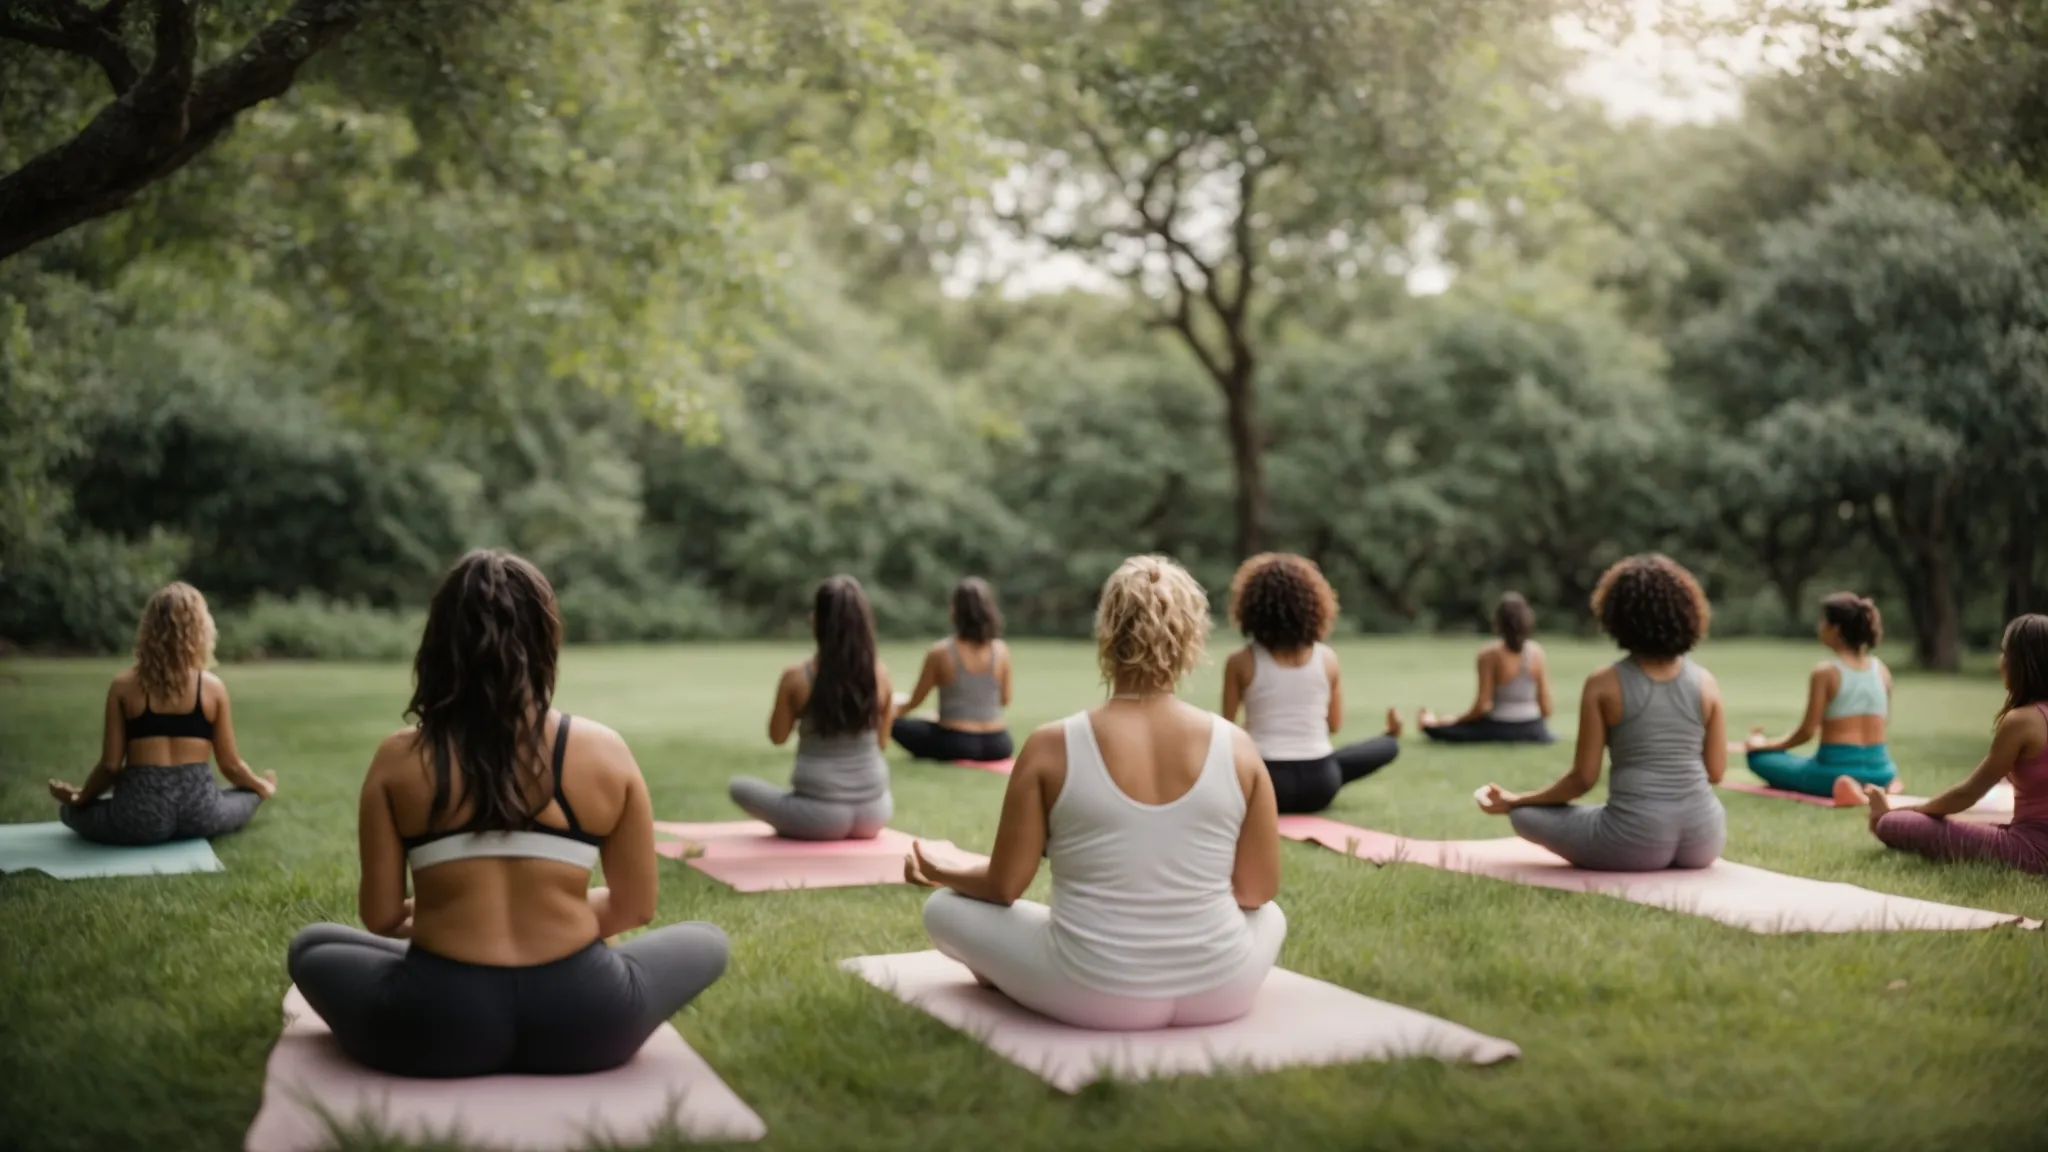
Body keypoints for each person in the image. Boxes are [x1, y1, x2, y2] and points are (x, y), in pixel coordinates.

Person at [287, 551, 728, 1078]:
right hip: (587, 1023)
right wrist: (554, 910)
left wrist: (450, 913)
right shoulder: (605, 750)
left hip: (438, 1026)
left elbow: (381, 918)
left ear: (440, 644)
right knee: (706, 938)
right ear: (546, 641)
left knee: (312, 945)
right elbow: (635, 908)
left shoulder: (398, 759)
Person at [904, 555, 1285, 1031]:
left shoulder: (1051, 745)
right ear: (1192, 638)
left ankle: (1016, 977)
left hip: (1093, 993)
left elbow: (1004, 886)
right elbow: (1256, 891)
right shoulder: (1239, 747)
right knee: (1271, 916)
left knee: (942, 908)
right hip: (1221, 989)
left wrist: (944, 867)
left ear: (1107, 632)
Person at [1476, 555, 1729, 871]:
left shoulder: (1603, 684)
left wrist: (1516, 801)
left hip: (1633, 843)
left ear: (1617, 616)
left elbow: (1582, 779)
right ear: (1688, 613)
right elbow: (1716, 772)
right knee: (1601, 813)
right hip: (1705, 839)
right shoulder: (1707, 683)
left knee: (1525, 816)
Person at [47, 582, 277, 845]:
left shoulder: (123, 687)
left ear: (149, 629)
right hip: (200, 813)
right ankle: (259, 790)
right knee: (246, 796)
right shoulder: (213, 687)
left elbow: (110, 766)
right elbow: (231, 765)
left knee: (68, 812)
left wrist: (80, 797)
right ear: (201, 630)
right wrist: (261, 787)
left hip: (139, 816)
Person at [1861, 614, 2048, 874]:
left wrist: (1909, 812)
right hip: (2031, 837)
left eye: (2005, 653)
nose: (2000, 661)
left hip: (2035, 851)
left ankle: (1889, 818)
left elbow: (1967, 794)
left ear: (2023, 663)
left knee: (1895, 824)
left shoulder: (2023, 721)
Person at [1218, 553, 1401, 815]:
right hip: (1321, 783)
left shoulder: (1240, 661)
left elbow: (1227, 733)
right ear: (1314, 605)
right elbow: (1334, 725)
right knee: (1387, 746)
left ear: (1250, 607)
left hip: (1267, 785)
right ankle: (1391, 736)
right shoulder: (1328, 658)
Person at [729, 575, 895, 840]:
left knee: (738, 787)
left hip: (818, 817)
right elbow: (882, 743)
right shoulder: (881, 675)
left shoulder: (797, 676)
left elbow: (778, 736)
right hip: (874, 814)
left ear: (817, 620)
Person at [1734, 592, 1896, 802]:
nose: (1819, 627)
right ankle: (1870, 787)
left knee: (1758, 758)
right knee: (1792, 761)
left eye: (1823, 622)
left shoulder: (1826, 672)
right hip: (1883, 772)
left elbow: (1806, 733)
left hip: (1832, 773)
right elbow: (1884, 723)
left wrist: (1762, 745)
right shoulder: (1882, 670)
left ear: (1835, 629)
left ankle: (1847, 787)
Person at [892, 577, 1015, 764]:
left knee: (896, 725)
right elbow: (1004, 700)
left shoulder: (941, 652)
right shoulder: (1001, 651)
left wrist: (889, 713)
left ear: (955, 610)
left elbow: (914, 701)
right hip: (998, 743)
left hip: (956, 742)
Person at [1418, 593, 1556, 744]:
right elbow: (1547, 707)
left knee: (1441, 730)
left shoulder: (1489, 655)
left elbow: (1482, 707)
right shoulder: (1537, 653)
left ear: (1498, 622)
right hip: (1533, 727)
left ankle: (1430, 721)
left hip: (1500, 726)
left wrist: (1454, 720)